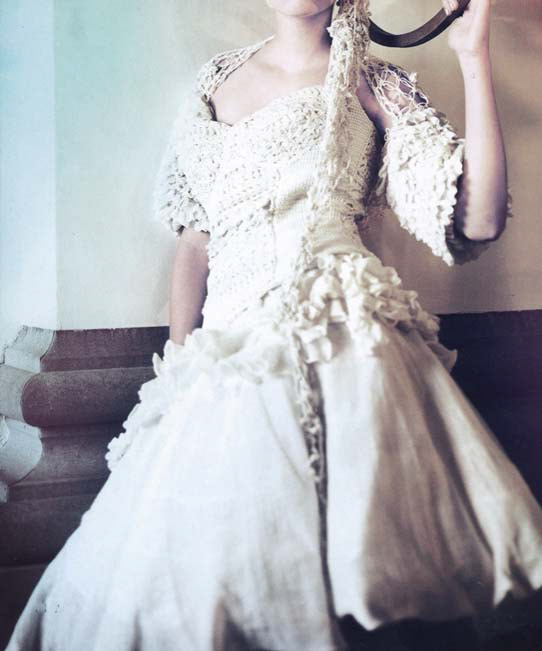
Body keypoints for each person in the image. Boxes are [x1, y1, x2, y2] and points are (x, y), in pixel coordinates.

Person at [7, 1, 542, 650]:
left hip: (340, 341)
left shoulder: (372, 83)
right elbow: (196, 243)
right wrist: (179, 373)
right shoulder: (213, 81)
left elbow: (478, 220)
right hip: (222, 362)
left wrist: (472, 55)